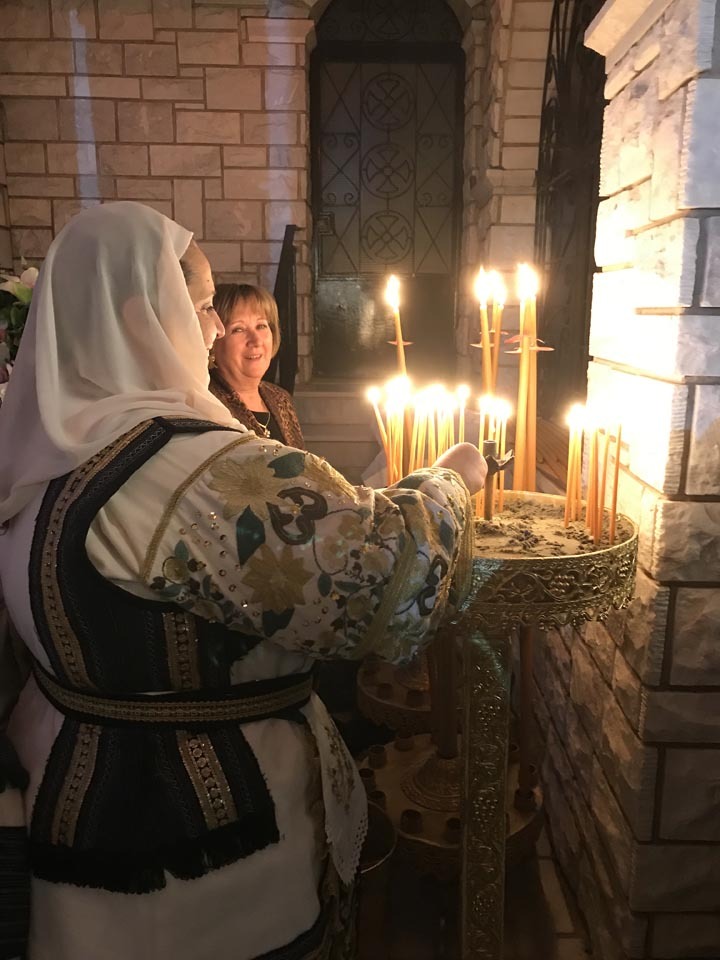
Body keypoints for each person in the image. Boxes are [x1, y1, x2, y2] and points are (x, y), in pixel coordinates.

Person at [0, 201, 486, 960]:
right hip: (204, 853)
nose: (214, 331)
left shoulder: (43, 452)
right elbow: (383, 576)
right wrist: (449, 479)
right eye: (202, 306)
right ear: (140, 316)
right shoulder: (193, 469)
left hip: (68, 795)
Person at [208, 283, 304, 448]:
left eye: (261, 326)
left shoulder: (280, 398)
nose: (256, 340)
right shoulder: (207, 404)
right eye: (238, 329)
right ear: (213, 342)